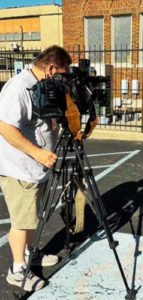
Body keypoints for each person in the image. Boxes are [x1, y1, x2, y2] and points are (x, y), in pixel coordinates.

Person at [0, 45, 72, 291]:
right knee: (21, 221)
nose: (64, 78)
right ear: (51, 68)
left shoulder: (43, 85)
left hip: (36, 169)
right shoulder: (20, 87)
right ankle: (17, 269)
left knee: (32, 218)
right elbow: (5, 126)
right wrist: (37, 152)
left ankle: (31, 253)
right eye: (63, 73)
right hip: (20, 169)